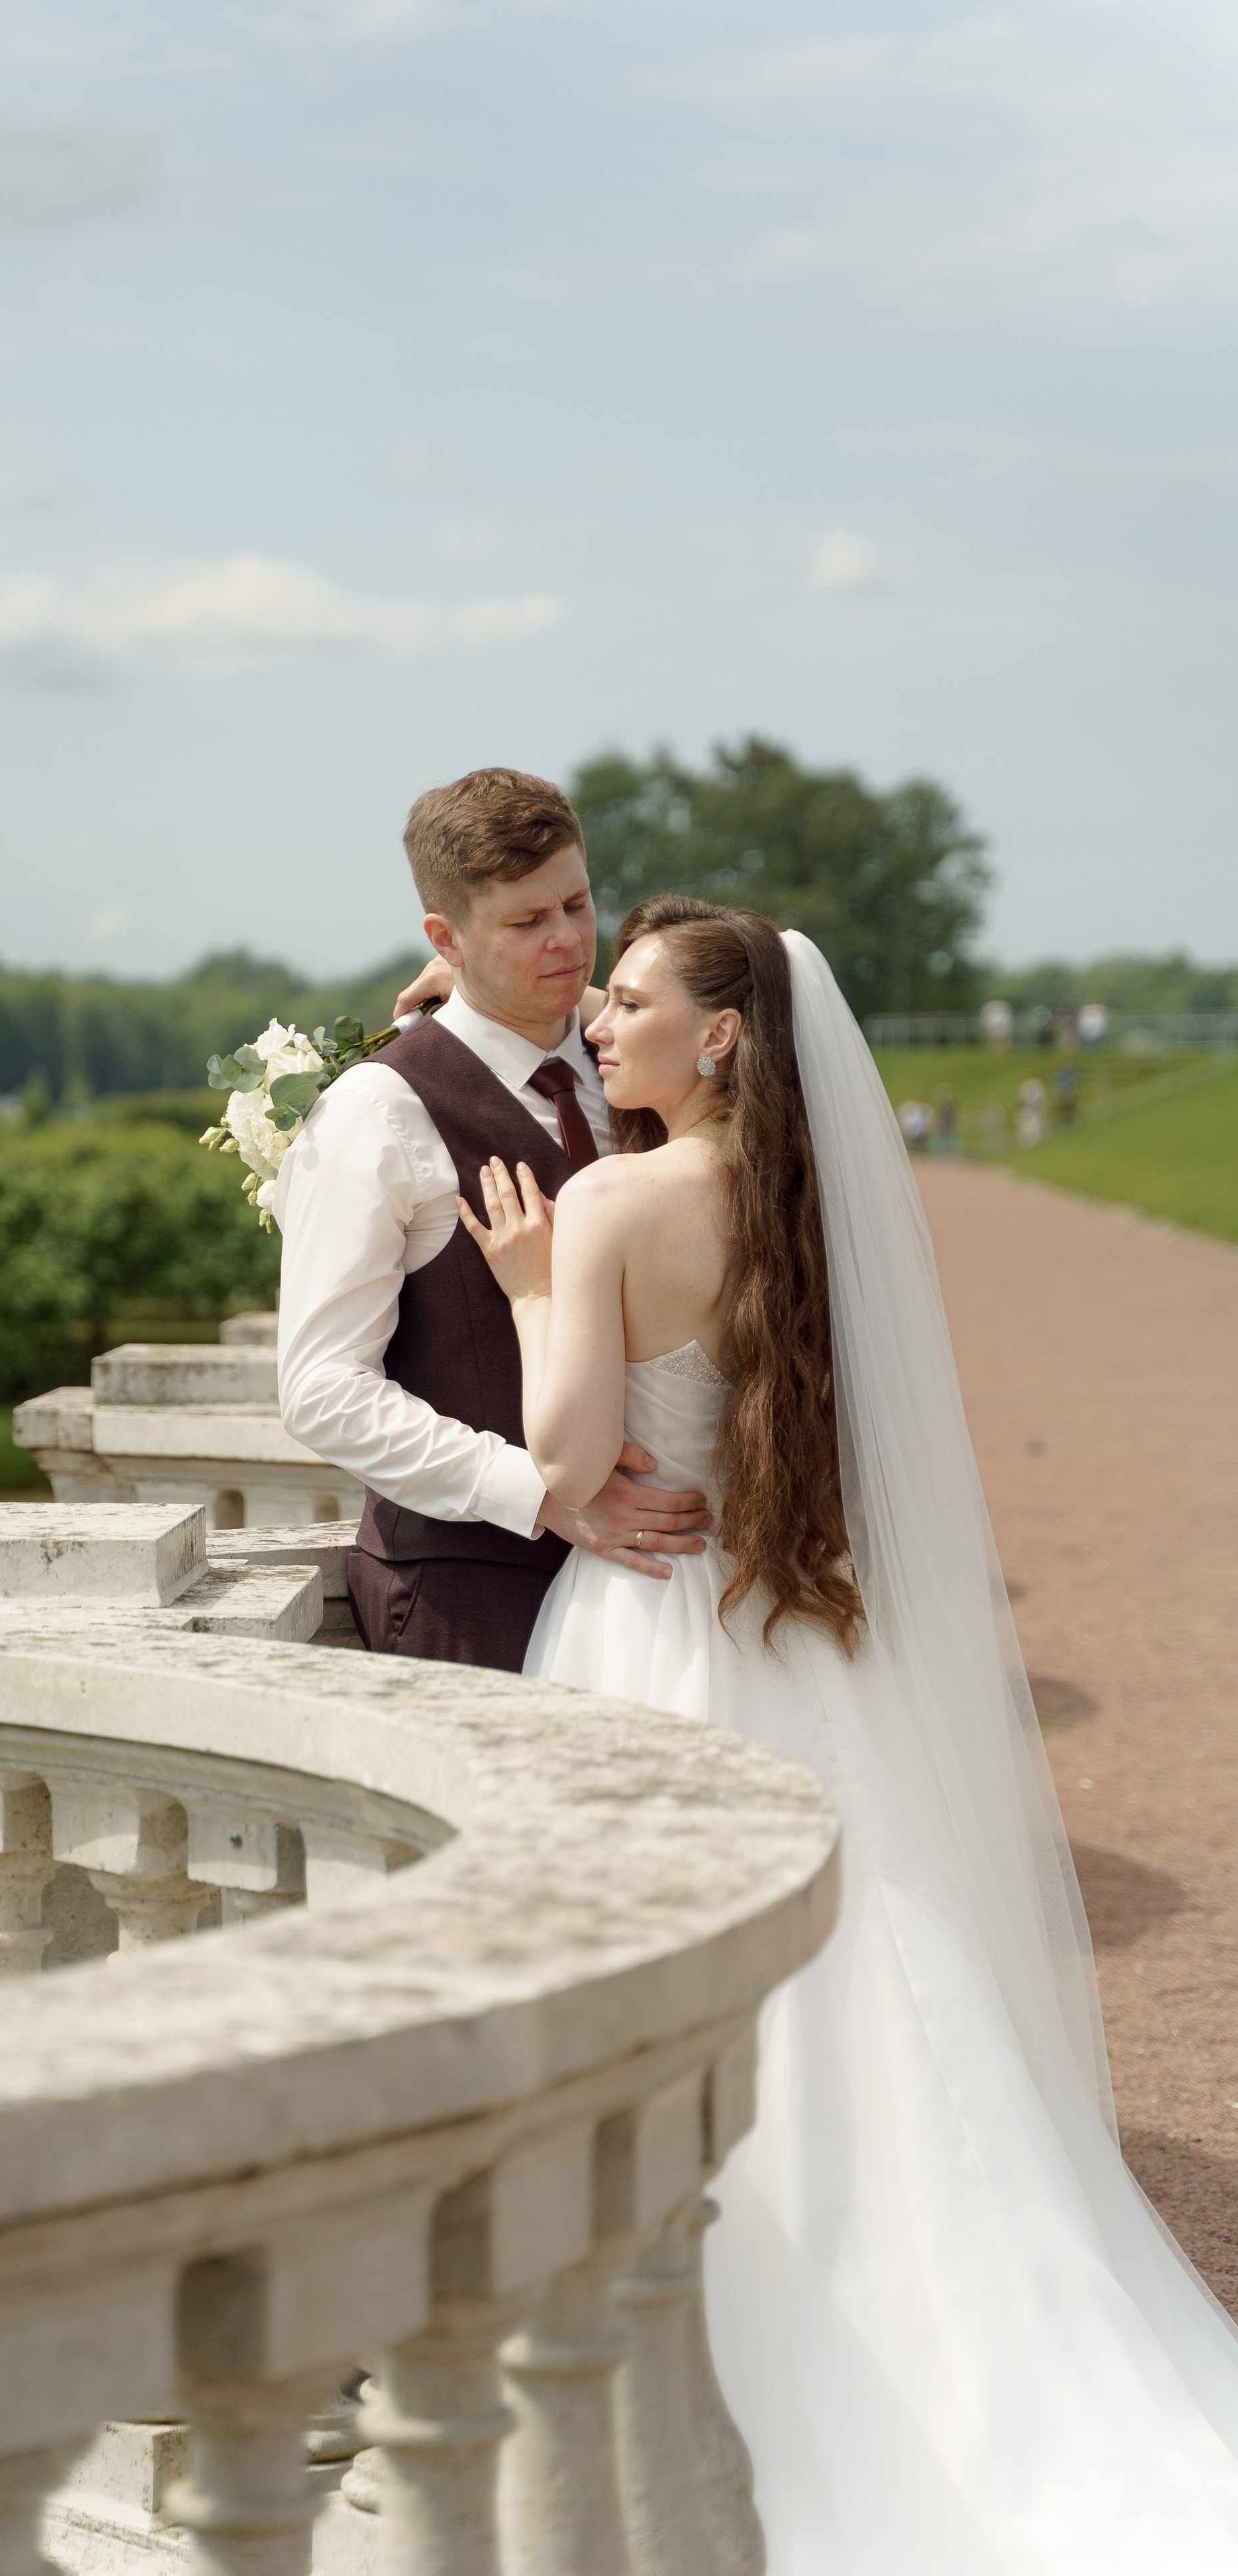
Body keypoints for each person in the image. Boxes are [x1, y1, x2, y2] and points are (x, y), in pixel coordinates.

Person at [452, 890, 1238, 2571]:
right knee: (880, 1974)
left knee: (657, 1990)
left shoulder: (602, 1205)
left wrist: (529, 1288)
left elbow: (570, 1460)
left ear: (719, 1033)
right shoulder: (811, 1210)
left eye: (631, 996)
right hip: (796, 1634)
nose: (599, 1015)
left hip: (650, 1638)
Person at [273, 768, 711, 1670]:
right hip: (474, 1595)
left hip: (676, 1597)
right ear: (445, 937)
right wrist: (539, 1494)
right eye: (524, 922)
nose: (567, 942)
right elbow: (319, 1389)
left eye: (577, 905)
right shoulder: (377, 1112)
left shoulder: (640, 1067)